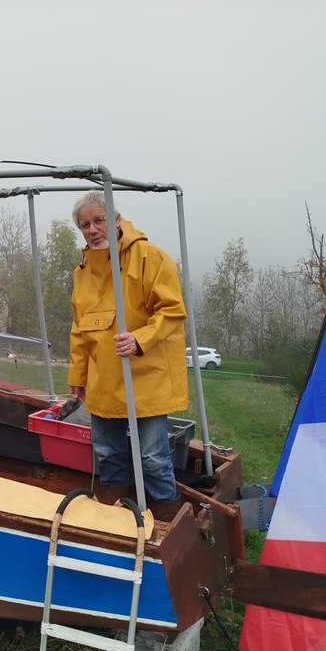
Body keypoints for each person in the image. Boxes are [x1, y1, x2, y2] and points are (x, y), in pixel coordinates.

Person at [67, 190, 188, 504]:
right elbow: (79, 331)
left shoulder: (151, 258)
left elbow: (173, 311)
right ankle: (115, 514)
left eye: (99, 220)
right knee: (108, 454)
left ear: (117, 219)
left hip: (146, 378)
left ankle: (165, 519)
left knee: (153, 457)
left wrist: (139, 339)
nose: (92, 230)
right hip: (104, 380)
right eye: (85, 225)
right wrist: (78, 377)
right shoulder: (81, 275)